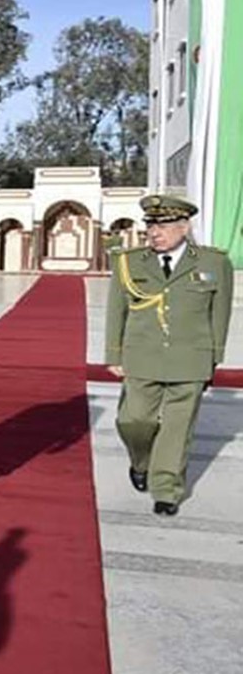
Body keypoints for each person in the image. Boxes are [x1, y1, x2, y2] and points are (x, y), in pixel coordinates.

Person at [106, 195, 232, 516]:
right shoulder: (129, 262)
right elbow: (116, 311)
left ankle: (166, 490)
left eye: (162, 225)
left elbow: (220, 314)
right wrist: (113, 353)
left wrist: (213, 358)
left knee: (177, 428)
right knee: (133, 420)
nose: (153, 232)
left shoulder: (213, 263)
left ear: (184, 227)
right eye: (150, 225)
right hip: (141, 356)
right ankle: (141, 462)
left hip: (191, 357)